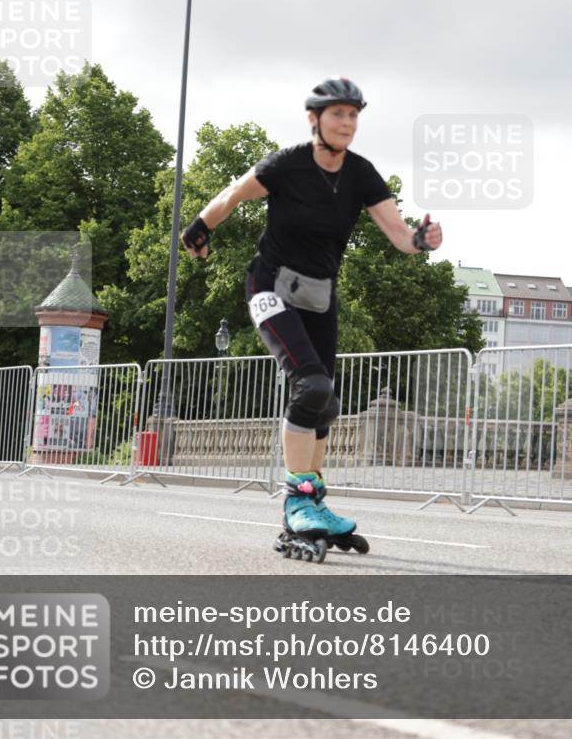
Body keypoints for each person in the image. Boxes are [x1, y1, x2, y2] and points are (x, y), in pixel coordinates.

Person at [182, 78, 442, 560]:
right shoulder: (288, 164)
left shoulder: (362, 174)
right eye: (337, 114)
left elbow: (398, 233)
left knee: (325, 404)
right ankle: (297, 503)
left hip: (319, 297)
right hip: (271, 285)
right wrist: (200, 227)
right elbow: (234, 193)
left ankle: (314, 505)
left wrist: (421, 240)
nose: (347, 123)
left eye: (353, 115)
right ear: (314, 119)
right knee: (310, 387)